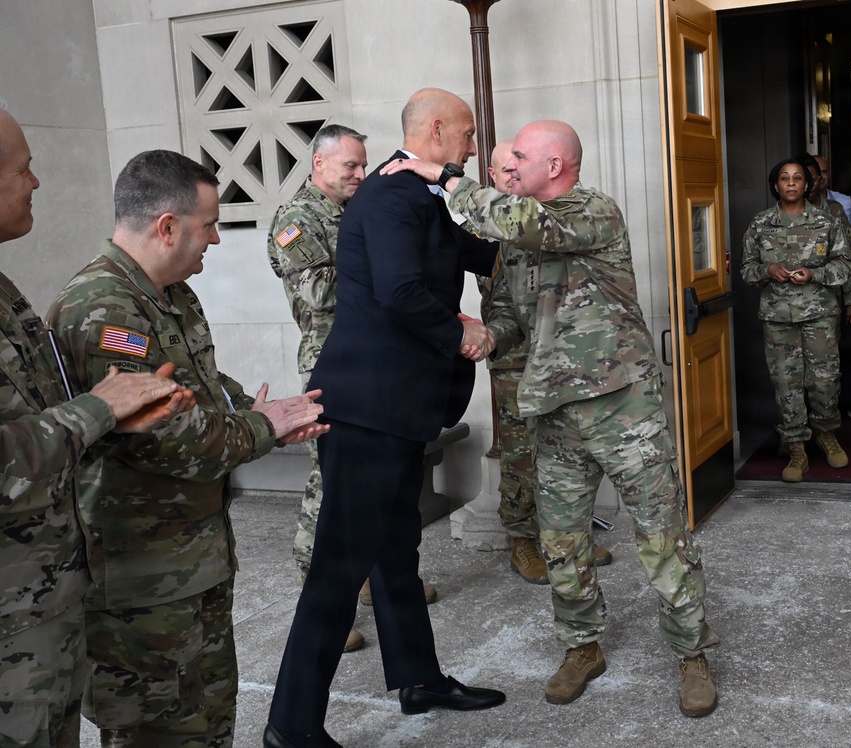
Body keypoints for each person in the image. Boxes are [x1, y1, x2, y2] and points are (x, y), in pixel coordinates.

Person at [383, 119, 721, 718]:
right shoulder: (518, 238)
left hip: (625, 407)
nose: (509, 166)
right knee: (562, 540)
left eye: (520, 157)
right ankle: (581, 646)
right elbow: (517, 315)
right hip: (555, 413)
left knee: (660, 533)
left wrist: (441, 173)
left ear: (556, 165)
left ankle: (691, 653)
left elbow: (516, 220)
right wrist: (487, 336)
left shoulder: (590, 212)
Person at [47, 149, 328, 748]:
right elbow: (167, 438)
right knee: (156, 727)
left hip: (191, 558)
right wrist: (265, 429)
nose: (218, 240)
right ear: (167, 226)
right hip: (139, 578)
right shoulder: (104, 309)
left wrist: (250, 411)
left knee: (205, 717)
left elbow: (202, 389)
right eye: (210, 225)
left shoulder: (170, 292)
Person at [264, 88, 504, 748]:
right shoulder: (392, 196)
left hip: (398, 408)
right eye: (467, 134)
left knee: (397, 552)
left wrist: (465, 183)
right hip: (368, 406)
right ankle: (290, 724)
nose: (475, 145)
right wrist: (462, 334)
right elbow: (400, 291)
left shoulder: (426, 192)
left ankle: (418, 678)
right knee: (339, 569)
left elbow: (491, 250)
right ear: (434, 128)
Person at [0, 109, 195, 748]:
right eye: (23, 167)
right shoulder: (101, 301)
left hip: (45, 605)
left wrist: (115, 417)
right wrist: (98, 408)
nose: (37, 182)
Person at [267, 124, 436, 653]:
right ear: (319, 164)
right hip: (332, 364)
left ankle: (373, 578)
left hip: (373, 361)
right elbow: (317, 292)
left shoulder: (348, 211)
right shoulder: (297, 219)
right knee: (331, 483)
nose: (362, 176)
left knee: (377, 482)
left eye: (365, 166)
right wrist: (386, 268)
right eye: (351, 168)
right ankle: (317, 593)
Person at [478, 139, 611, 583]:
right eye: (504, 169)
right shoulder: (486, 227)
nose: (513, 174)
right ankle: (521, 539)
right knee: (520, 455)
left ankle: (571, 531)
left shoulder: (556, 215)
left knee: (570, 452)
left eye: (519, 164)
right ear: (491, 177)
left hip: (563, 360)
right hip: (516, 359)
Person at [741, 158, 851, 483]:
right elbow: (747, 269)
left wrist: (815, 274)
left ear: (807, 185)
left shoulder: (826, 220)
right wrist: (767, 270)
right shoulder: (760, 223)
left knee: (824, 380)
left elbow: (845, 265)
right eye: (784, 178)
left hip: (819, 315)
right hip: (778, 319)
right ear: (776, 185)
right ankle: (795, 447)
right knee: (786, 385)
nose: (791, 183)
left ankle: (827, 433)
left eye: (798, 178)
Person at [815, 154, 851, 423]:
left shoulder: (842, 203)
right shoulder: (792, 207)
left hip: (843, 291)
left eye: (824, 172)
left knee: (850, 347)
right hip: (811, 298)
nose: (820, 177)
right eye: (814, 172)